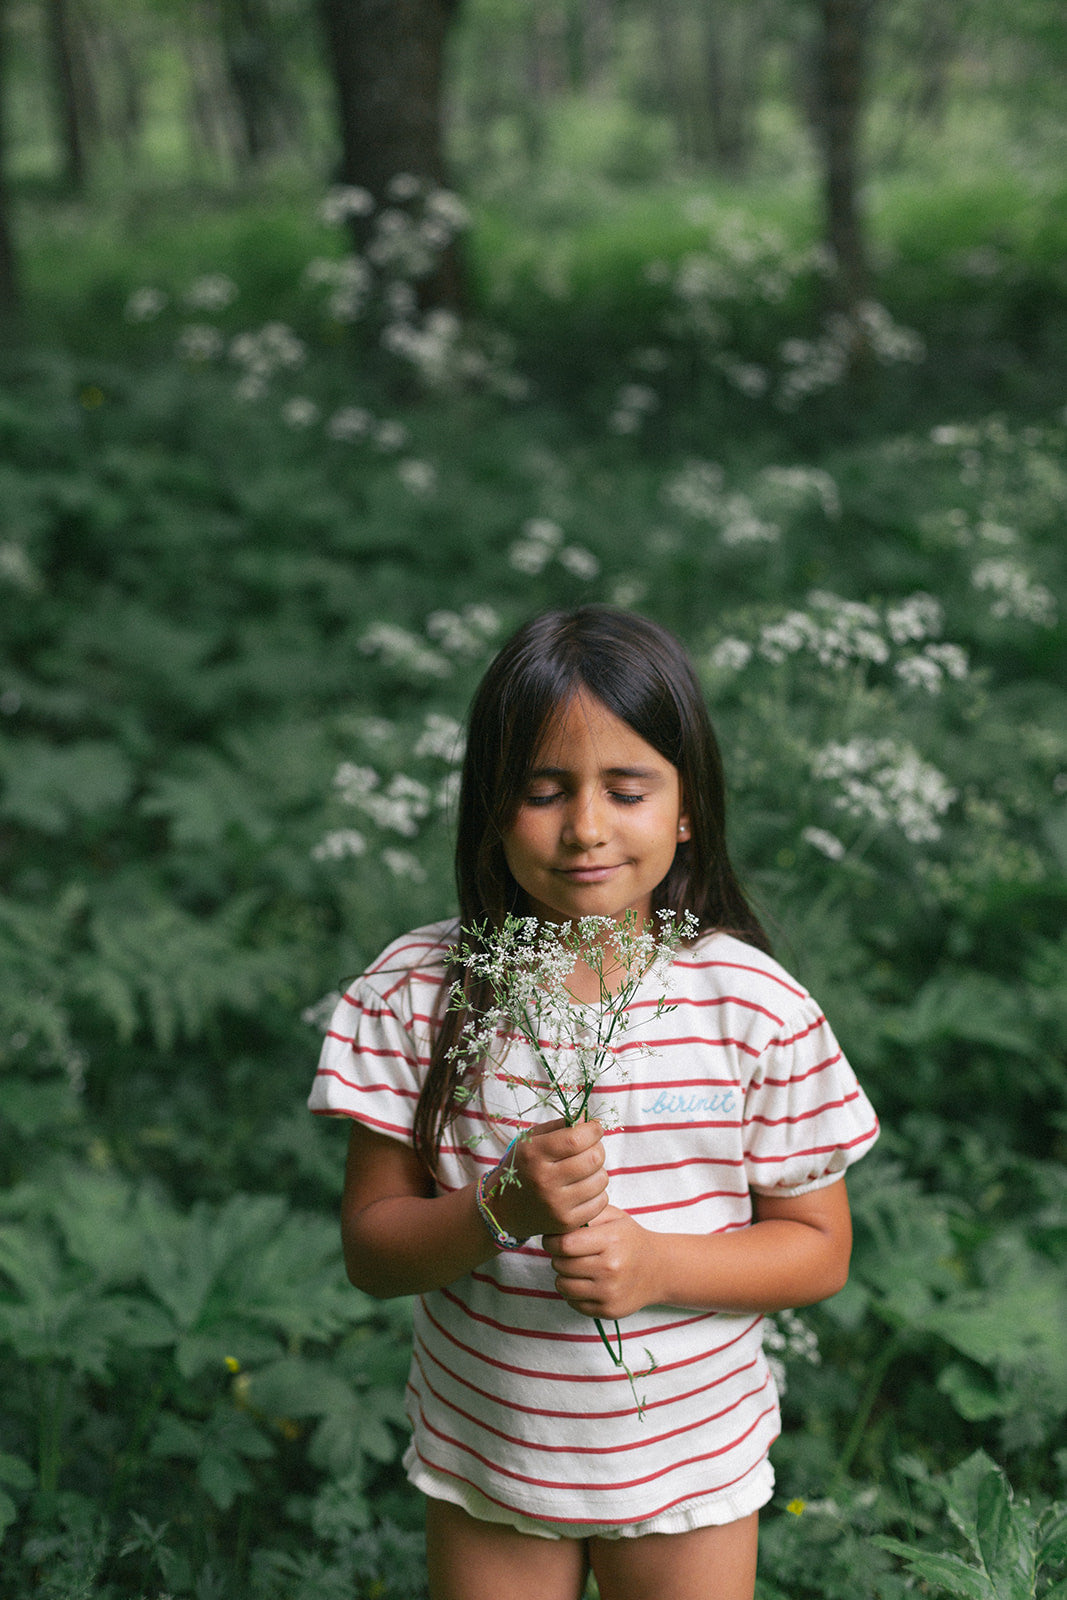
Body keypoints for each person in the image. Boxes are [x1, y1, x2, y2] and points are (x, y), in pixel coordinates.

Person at [309, 605, 879, 1600]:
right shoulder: (415, 991)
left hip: (691, 1464)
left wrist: (654, 1263)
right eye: (541, 790)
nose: (585, 827)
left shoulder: (752, 1006)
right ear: (490, 803)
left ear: (686, 805)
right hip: (492, 1459)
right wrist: (501, 1205)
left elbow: (816, 1246)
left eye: (626, 789)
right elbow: (372, 1250)